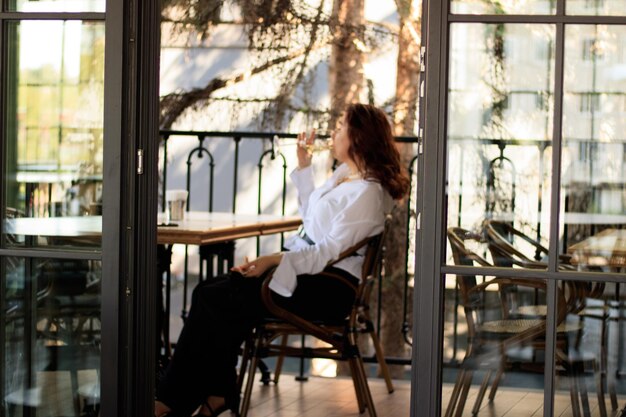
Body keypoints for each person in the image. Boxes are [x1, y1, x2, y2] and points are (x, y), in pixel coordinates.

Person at [154, 103, 410, 417]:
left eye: (341, 126)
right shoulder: (346, 176)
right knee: (214, 294)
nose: (333, 132)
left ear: (358, 138)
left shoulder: (367, 193)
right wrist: (304, 167)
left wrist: (273, 261)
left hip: (329, 288)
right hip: (313, 274)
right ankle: (216, 392)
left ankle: (174, 400)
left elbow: (326, 251)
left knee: (214, 296)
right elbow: (313, 222)